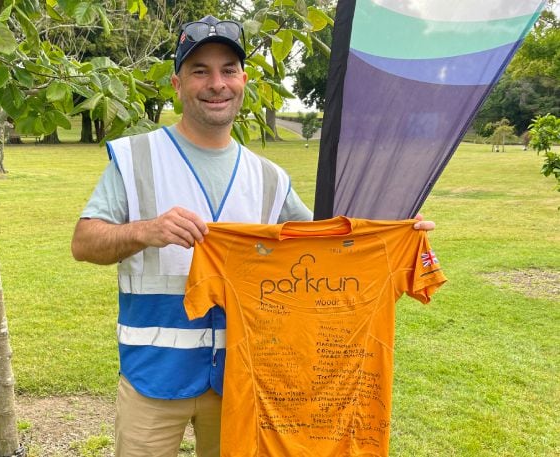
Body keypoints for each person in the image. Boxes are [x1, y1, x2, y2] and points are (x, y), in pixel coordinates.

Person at [71, 15, 435, 457]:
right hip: (152, 375)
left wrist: (394, 235)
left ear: (243, 80)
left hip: (242, 381)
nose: (216, 83)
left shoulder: (268, 178)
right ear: (177, 83)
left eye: (227, 70)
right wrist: (147, 231)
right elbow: (84, 242)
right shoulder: (136, 157)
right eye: (200, 71)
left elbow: (325, 248)